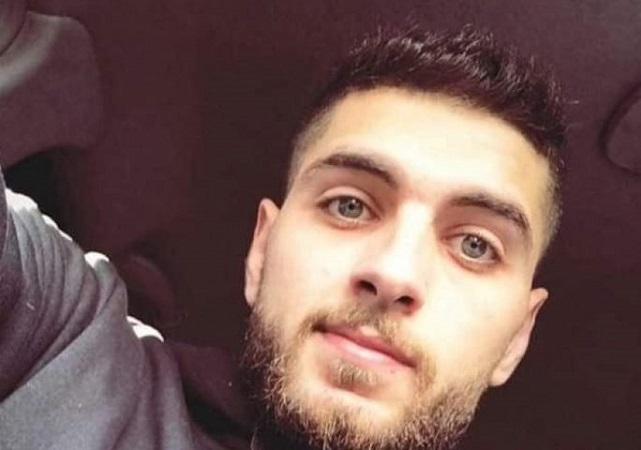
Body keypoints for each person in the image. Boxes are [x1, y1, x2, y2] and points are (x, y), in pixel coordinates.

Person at [0, 25, 565, 450]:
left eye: (475, 245)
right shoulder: (68, 341)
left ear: (517, 339)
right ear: (261, 251)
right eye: (349, 205)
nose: (394, 272)